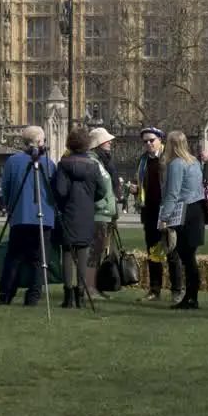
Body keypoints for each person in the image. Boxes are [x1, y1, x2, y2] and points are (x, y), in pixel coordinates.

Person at [0, 126, 57, 306]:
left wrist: (9, 206)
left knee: (14, 257)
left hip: (20, 215)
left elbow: (5, 188)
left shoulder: (12, 162)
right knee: (39, 260)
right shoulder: (48, 163)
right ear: (39, 142)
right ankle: (33, 295)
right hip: (43, 217)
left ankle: (6, 294)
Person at [53, 127, 108, 309]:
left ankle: (68, 296)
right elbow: (102, 190)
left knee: (68, 253)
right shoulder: (93, 166)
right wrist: (90, 199)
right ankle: (81, 296)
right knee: (83, 252)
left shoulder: (63, 164)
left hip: (68, 212)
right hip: (86, 212)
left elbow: (59, 191)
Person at [159, 130, 206, 310]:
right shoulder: (194, 162)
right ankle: (192, 296)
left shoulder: (176, 164)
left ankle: (191, 297)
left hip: (184, 211)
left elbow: (172, 193)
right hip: (197, 209)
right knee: (190, 257)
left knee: (186, 257)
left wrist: (164, 218)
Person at [136, 127, 182, 302]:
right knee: (154, 252)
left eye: (151, 140)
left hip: (167, 211)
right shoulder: (143, 160)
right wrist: (136, 190)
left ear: (160, 140)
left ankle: (177, 291)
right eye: (145, 141)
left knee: (172, 252)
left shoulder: (169, 159)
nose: (148, 144)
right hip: (150, 211)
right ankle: (155, 290)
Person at [87, 127, 119, 297]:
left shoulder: (100, 162)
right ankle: (90, 288)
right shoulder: (93, 162)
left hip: (104, 214)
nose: (110, 143)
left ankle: (95, 287)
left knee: (99, 252)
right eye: (107, 141)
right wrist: (101, 204)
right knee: (94, 253)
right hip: (98, 214)